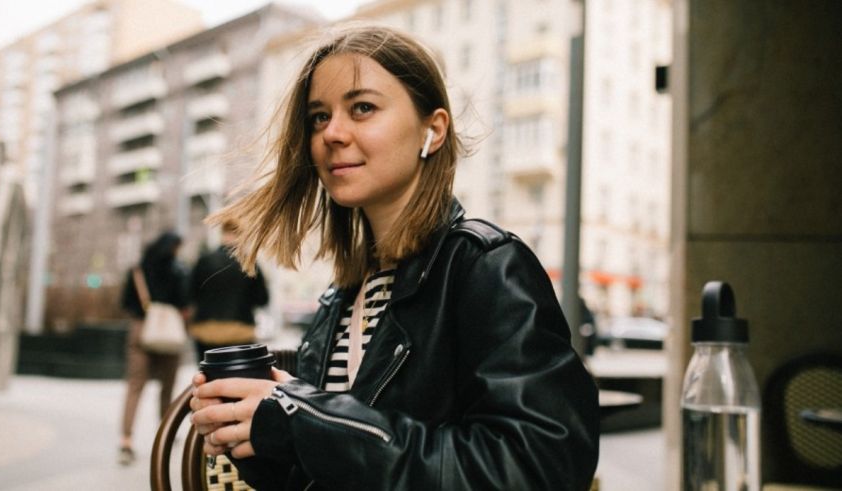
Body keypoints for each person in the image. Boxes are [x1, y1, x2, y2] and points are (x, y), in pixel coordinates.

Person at [189, 24, 599, 490]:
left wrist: (303, 419)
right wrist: (254, 432)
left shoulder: (485, 266)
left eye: (362, 108)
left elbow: (539, 469)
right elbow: (333, 469)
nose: (332, 134)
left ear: (434, 129)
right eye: (319, 117)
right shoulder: (341, 295)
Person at [118, 231, 190, 465]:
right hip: (168, 331)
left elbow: (126, 302)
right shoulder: (177, 270)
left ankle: (126, 441)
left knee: (135, 386)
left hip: (141, 329)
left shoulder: (137, 270)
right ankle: (166, 434)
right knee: (167, 387)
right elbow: (184, 302)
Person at [189, 220, 270, 362]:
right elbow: (263, 299)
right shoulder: (249, 263)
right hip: (240, 331)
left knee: (209, 378)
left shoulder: (204, 260)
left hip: (206, 330)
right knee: (237, 378)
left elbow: (189, 294)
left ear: (222, 233)